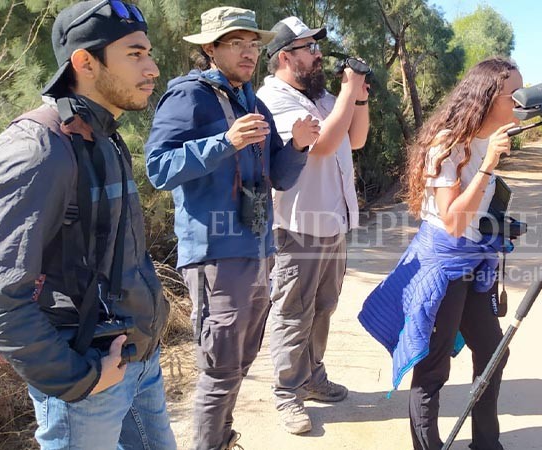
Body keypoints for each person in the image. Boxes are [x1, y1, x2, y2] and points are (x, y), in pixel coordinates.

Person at [0, 1, 175, 448]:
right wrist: (76, 379)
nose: (152, 67)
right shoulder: (40, 148)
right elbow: (2, 292)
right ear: (85, 62)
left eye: (149, 52)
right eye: (135, 54)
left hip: (138, 360)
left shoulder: (102, 136)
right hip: (87, 382)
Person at [144, 7, 318, 449]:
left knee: (241, 360)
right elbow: (158, 168)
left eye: (254, 43)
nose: (249, 52)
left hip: (258, 248)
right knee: (220, 371)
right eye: (236, 43)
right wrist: (225, 142)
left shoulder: (252, 101)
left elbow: (278, 175)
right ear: (210, 48)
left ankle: (222, 438)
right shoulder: (188, 97)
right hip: (216, 254)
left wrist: (297, 144)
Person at [359, 57, 521, 450]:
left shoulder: (485, 139)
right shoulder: (447, 143)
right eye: (512, 94)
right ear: (487, 98)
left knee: (493, 352)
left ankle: (487, 443)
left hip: (472, 261)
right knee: (433, 370)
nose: (519, 102)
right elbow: (451, 220)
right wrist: (490, 165)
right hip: (442, 264)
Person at [256, 16, 369, 434]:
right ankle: (286, 393)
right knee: (292, 312)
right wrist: (346, 90)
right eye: (309, 48)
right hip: (297, 224)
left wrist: (358, 97)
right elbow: (319, 147)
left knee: (324, 307)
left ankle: (311, 376)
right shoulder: (272, 97)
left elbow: (355, 140)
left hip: (334, 220)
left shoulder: (320, 98)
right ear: (285, 56)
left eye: (317, 47)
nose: (319, 55)